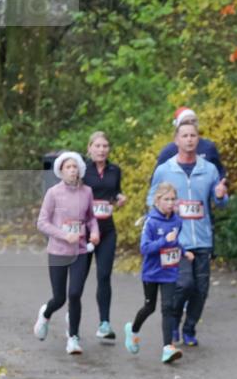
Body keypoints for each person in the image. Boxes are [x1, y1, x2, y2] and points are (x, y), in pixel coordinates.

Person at [147, 120, 228, 346]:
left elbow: (219, 202)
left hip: (202, 238)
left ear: (198, 139)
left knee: (201, 290)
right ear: (176, 140)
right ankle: (172, 323)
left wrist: (221, 195)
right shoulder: (165, 170)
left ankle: (189, 328)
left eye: (193, 136)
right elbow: (150, 198)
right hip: (176, 240)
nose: (190, 139)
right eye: (185, 136)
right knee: (184, 284)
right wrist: (163, 210)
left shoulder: (209, 169)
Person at [33, 152, 99, 355]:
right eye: (68, 167)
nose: (72, 170)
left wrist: (95, 231)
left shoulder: (87, 191)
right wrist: (63, 235)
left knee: (75, 294)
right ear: (61, 171)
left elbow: (90, 218)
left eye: (74, 167)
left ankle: (73, 338)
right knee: (60, 298)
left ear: (80, 169)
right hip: (58, 251)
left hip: (80, 251)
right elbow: (42, 223)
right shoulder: (53, 193)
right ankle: (46, 313)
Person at [125, 182, 192, 364]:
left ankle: (167, 348)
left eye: (173, 199)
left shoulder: (177, 221)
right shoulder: (151, 221)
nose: (170, 203)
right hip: (152, 273)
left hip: (169, 271)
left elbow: (174, 242)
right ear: (157, 200)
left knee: (167, 308)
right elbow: (145, 248)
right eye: (166, 199)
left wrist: (184, 251)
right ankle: (133, 329)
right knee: (150, 307)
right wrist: (164, 240)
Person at [83, 131, 127, 343]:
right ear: (89, 148)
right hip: (84, 232)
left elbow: (115, 191)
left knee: (104, 276)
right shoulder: (82, 170)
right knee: (78, 280)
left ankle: (104, 323)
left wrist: (119, 197)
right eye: (97, 146)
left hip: (107, 230)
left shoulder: (114, 170)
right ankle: (71, 319)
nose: (101, 150)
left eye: (105, 146)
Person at [156, 107, 227, 179]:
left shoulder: (208, 147)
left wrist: (221, 185)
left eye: (193, 121)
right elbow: (157, 180)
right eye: (186, 122)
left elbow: (220, 172)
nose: (190, 124)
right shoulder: (168, 152)